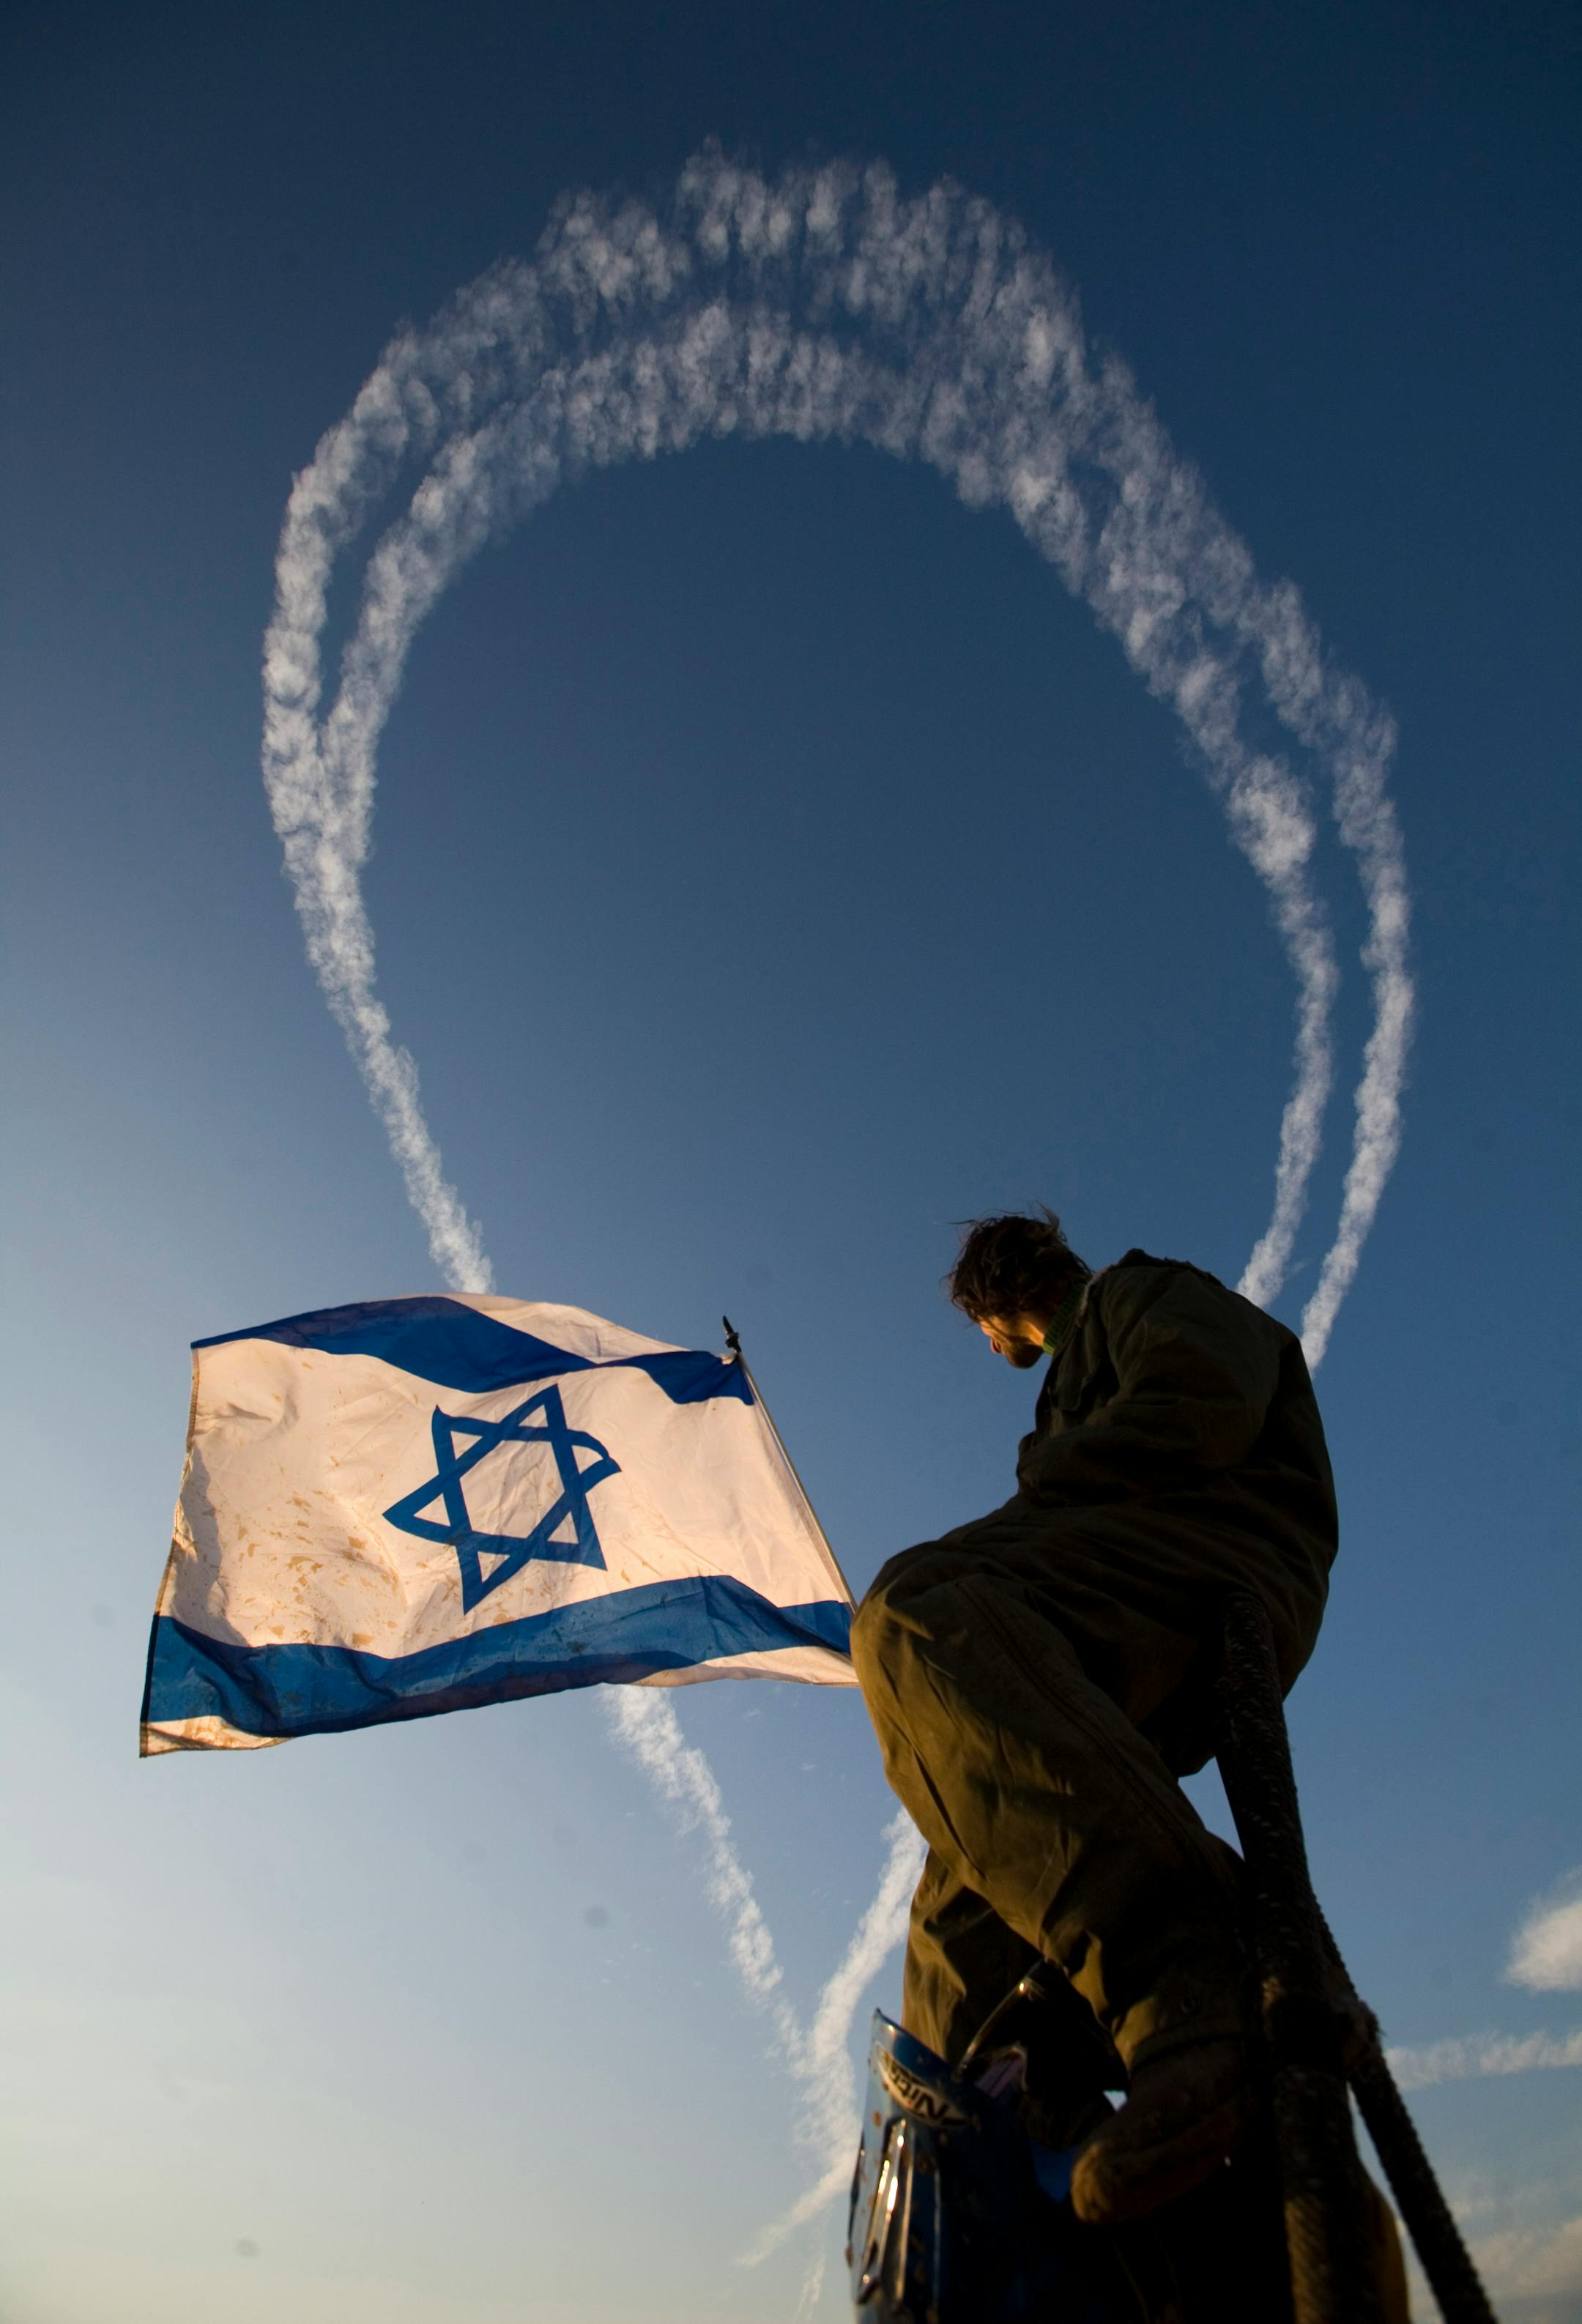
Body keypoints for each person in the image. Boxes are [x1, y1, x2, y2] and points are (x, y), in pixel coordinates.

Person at [850, 1210, 1338, 2226]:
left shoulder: (1142, 1294)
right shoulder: (1070, 1379)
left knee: (914, 1612)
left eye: (982, 1331)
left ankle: (1192, 1979)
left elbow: (1204, 1400)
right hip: (1123, 1581)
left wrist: (1036, 1494)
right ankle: (1005, 2148)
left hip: (1207, 1559)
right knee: (969, 1877)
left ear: (996, 1312)